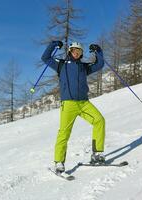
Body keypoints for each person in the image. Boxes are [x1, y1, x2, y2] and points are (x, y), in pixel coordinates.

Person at [41, 40, 106, 173]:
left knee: (99, 121)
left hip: (84, 103)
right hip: (68, 104)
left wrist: (97, 51)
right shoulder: (61, 65)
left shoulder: (84, 67)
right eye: (74, 51)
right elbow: (45, 57)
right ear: (70, 51)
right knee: (64, 133)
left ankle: (96, 154)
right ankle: (59, 162)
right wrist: (54, 44)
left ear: (81, 53)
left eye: (79, 51)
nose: (76, 53)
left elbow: (100, 64)